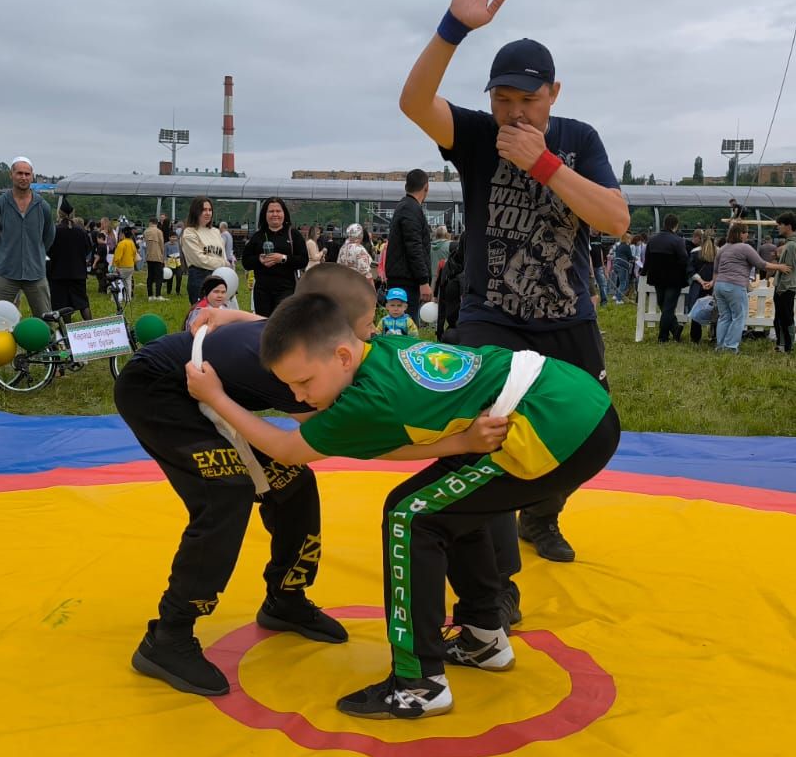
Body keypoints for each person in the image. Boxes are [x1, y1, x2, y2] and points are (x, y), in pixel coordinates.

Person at [185, 290, 620, 719]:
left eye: (303, 384)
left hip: (552, 426)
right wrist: (237, 317)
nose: (298, 397)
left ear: (341, 358)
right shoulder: (377, 348)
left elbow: (286, 448)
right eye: (289, 385)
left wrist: (216, 397)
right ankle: (482, 636)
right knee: (446, 507)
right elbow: (310, 335)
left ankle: (419, 683)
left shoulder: (368, 400)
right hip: (571, 399)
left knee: (409, 516)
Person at [398, 0, 629, 576]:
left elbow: (615, 219)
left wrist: (546, 166)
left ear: (553, 94)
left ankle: (542, 511)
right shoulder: (476, 135)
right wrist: (454, 26)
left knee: (586, 426)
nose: (513, 112)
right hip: (491, 311)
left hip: (565, 311)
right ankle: (493, 575)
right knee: (483, 433)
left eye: (527, 100)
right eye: (502, 99)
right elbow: (414, 103)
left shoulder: (577, 140)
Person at [115, 267, 385, 698]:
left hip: (201, 391)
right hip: (157, 389)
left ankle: (286, 598)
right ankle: (168, 636)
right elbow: (313, 439)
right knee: (227, 492)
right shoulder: (297, 367)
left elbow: (263, 325)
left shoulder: (300, 345)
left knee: (294, 485)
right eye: (367, 327)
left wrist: (227, 318)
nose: (372, 337)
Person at [0, 157, 55, 318]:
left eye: (27, 174)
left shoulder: (42, 207)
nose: (23, 177)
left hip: (36, 273)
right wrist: (5, 252)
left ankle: (49, 344)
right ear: (11, 175)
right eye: (19, 173)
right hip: (6, 272)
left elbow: (48, 238)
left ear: (32, 176)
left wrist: (34, 253)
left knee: (46, 320)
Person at [711, 221, 788, 352]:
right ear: (741, 234)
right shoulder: (744, 248)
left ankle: (720, 345)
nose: (748, 235)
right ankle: (730, 347)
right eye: (747, 232)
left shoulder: (723, 248)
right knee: (739, 317)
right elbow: (761, 264)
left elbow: (716, 270)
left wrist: (714, 286)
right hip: (735, 285)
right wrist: (780, 267)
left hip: (719, 285)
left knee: (724, 317)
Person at [241, 198, 307, 317]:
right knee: (263, 324)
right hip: (262, 290)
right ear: (265, 214)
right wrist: (259, 260)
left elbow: (303, 260)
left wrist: (283, 258)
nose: (275, 214)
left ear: (284, 214)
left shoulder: (293, 235)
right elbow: (246, 261)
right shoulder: (258, 236)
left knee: (281, 322)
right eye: (271, 211)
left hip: (286, 289)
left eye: (278, 211)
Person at [383, 169, 434, 320]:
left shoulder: (405, 206)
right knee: (406, 327)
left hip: (402, 278)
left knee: (399, 325)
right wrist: (423, 281)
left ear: (406, 187)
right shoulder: (411, 209)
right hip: (407, 281)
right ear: (426, 187)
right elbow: (414, 247)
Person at [644, 214, 690, 343]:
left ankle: (675, 329)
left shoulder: (652, 240)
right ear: (676, 225)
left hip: (657, 278)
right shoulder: (678, 241)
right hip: (674, 279)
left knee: (664, 305)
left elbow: (647, 259)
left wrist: (643, 273)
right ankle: (663, 337)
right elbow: (684, 259)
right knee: (668, 307)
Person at [771, 213, 796, 353]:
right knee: (783, 316)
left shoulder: (792, 246)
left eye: (780, 224)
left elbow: (788, 270)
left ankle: (786, 346)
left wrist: (781, 288)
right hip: (789, 286)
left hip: (785, 287)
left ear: (789, 226)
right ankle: (784, 345)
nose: (778, 227)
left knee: (784, 317)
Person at [47, 212, 94, 322]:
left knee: (63, 304)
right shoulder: (81, 231)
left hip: (59, 273)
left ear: (59, 215)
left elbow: (48, 250)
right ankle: (91, 326)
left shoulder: (55, 231)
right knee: (83, 303)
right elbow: (88, 249)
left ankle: (68, 331)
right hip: (78, 272)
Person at [180, 198, 227, 303]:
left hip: (219, 277)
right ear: (195, 212)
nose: (208, 213)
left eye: (210, 210)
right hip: (199, 278)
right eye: (204, 210)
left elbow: (222, 255)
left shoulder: (215, 231)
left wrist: (225, 267)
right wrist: (223, 263)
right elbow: (199, 260)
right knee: (204, 316)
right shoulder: (189, 233)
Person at [687, 236, 717, 344]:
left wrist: (701, 281)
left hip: (698, 286)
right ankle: (715, 336)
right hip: (714, 286)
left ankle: (695, 338)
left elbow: (690, 269)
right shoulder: (719, 252)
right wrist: (712, 282)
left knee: (697, 311)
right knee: (716, 312)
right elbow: (721, 270)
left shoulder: (695, 252)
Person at [143, 215, 167, 300]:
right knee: (159, 277)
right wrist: (163, 256)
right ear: (156, 223)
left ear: (150, 223)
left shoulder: (146, 231)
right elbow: (161, 245)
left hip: (149, 256)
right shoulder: (159, 232)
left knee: (150, 276)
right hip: (157, 256)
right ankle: (158, 295)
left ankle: (150, 295)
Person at [112, 224, 137, 297]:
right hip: (130, 266)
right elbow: (134, 254)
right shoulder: (132, 243)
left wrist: (115, 266)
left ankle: (117, 298)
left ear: (123, 234)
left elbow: (117, 257)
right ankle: (128, 298)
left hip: (122, 267)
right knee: (128, 283)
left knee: (117, 282)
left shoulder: (121, 244)